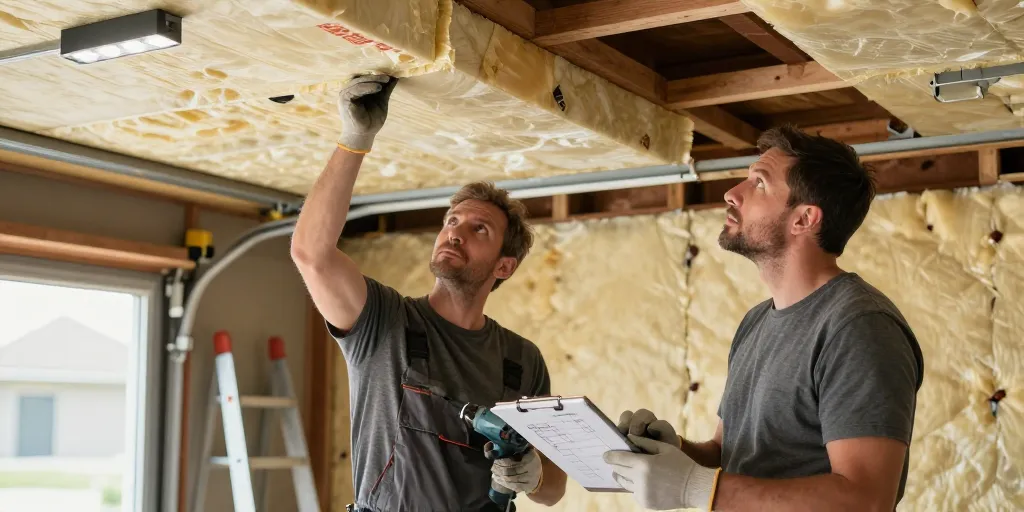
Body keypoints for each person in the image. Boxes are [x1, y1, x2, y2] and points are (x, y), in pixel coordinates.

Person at [604, 126, 925, 511]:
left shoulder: (858, 327)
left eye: (759, 183)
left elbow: (866, 499)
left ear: (804, 218)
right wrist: (675, 451)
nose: (732, 192)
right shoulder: (757, 322)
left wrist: (695, 485)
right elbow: (729, 456)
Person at [291, 74, 567, 511]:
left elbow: (554, 490)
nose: (455, 234)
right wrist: (354, 139)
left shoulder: (522, 360)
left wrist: (532, 473)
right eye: (452, 221)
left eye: (479, 229)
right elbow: (311, 254)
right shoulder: (384, 324)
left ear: (504, 266)